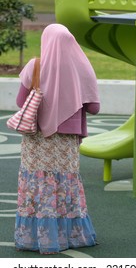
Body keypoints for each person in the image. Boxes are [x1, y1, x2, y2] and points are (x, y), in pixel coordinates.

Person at [14, 24, 100, 255]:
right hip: (66, 140)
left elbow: (21, 103)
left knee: (38, 183)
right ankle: (70, 234)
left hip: (37, 138)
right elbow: (94, 108)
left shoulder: (35, 65)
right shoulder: (82, 68)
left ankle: (36, 236)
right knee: (64, 184)